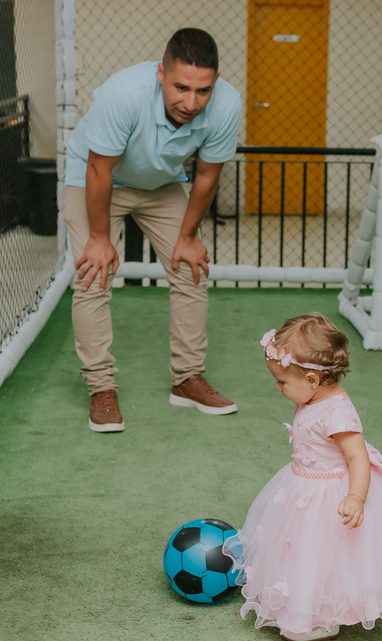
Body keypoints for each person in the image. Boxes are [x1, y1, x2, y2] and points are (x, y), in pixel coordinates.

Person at [64, 28, 242, 433]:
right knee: (93, 275)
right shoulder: (123, 94)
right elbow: (98, 169)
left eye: (203, 91)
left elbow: (207, 177)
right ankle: (101, 388)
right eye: (181, 87)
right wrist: (98, 239)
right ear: (161, 72)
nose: (191, 102)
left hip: (161, 183)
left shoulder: (227, 105)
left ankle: (187, 379)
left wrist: (188, 236)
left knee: (190, 269)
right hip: (96, 178)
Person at [222, 314, 382, 641]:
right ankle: (297, 604)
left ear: (312, 379)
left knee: (323, 551)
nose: (277, 388)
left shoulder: (337, 412)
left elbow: (357, 457)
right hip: (303, 484)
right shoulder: (313, 395)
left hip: (332, 492)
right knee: (299, 549)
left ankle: (320, 617)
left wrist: (355, 497)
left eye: (282, 382)